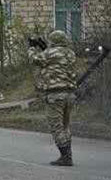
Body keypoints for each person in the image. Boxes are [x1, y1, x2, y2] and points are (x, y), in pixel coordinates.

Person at [28, 30, 78, 166]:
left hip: (55, 95)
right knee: (65, 125)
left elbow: (35, 60)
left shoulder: (50, 53)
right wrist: (45, 47)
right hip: (70, 94)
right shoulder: (70, 53)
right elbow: (52, 59)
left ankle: (66, 156)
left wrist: (32, 47)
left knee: (56, 126)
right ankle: (68, 153)